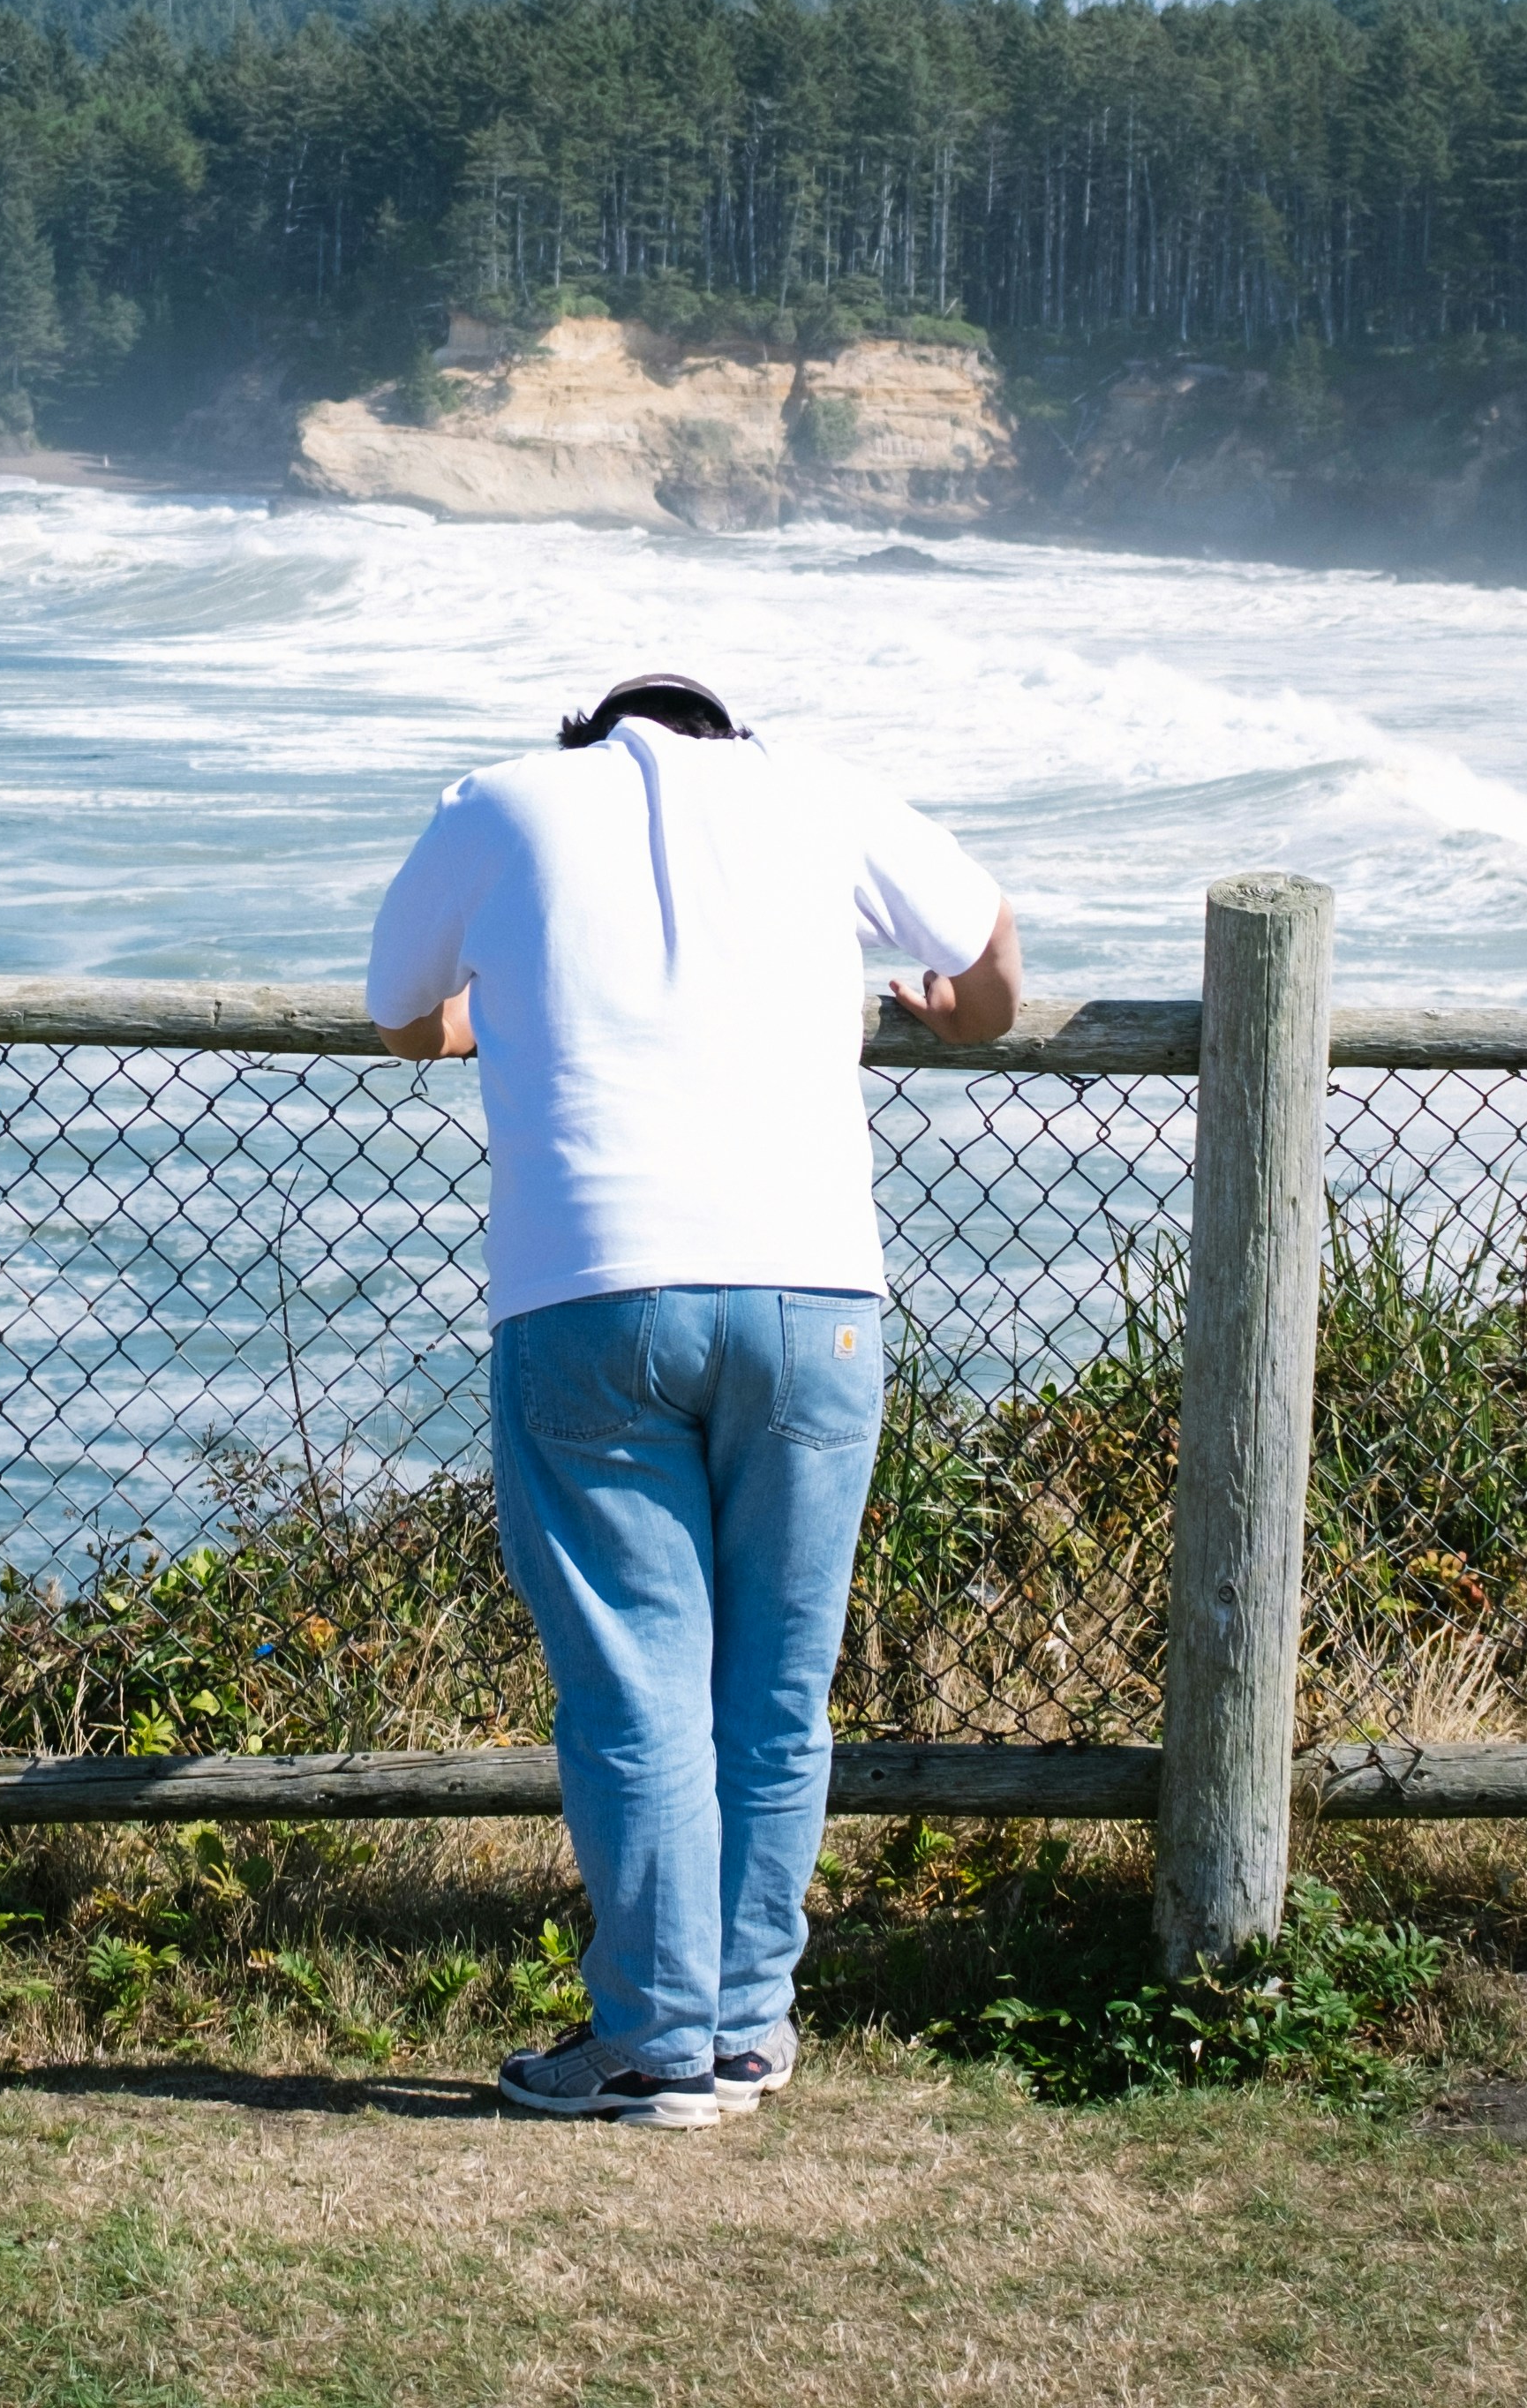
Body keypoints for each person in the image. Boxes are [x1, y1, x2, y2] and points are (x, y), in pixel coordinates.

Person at [365, 671, 1019, 2127]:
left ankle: (656, 2046)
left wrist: (472, 1027)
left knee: (638, 1681)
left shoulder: (502, 803)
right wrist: (957, 1016)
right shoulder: (820, 790)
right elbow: (990, 956)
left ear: (588, 738)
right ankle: (745, 2029)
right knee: (778, 1689)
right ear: (730, 737)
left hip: (593, 1286)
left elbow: (400, 1008)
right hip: (815, 1295)